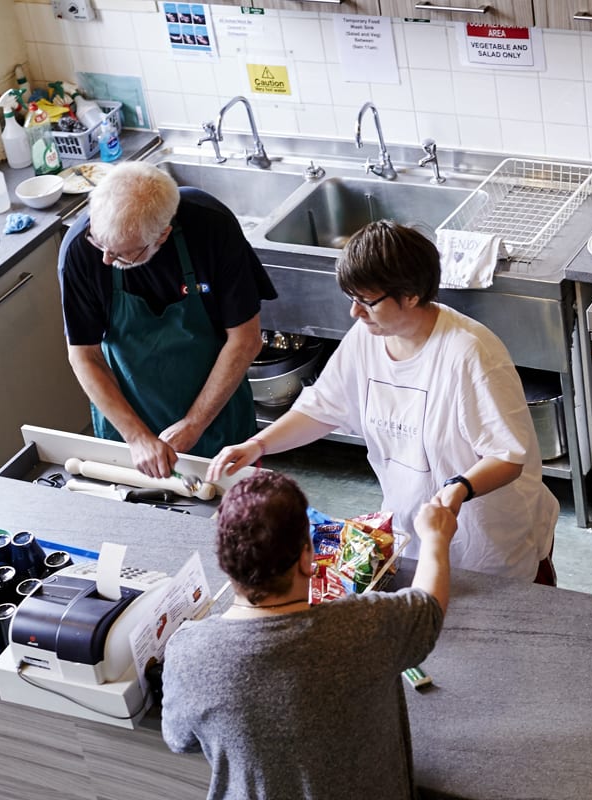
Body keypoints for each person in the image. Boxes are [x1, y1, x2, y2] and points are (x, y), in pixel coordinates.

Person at [208, 221, 558, 584]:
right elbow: (324, 407)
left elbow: (507, 457)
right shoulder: (368, 337)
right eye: (352, 299)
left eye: (366, 301)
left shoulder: (471, 354)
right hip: (414, 526)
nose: (355, 313)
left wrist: (457, 490)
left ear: (409, 295)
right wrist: (257, 445)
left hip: (488, 538)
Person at [160, 471, 455, 800]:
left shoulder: (187, 653)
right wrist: (435, 539)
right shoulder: (367, 626)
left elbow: (179, 739)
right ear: (305, 557)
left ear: (225, 562)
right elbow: (429, 609)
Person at [59, 162, 275, 478]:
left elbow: (246, 339)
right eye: (100, 244)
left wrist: (194, 423)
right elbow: (84, 356)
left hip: (218, 418)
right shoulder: (80, 249)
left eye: (120, 254)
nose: (106, 258)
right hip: (129, 422)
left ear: (162, 235)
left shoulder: (211, 228)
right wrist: (136, 436)